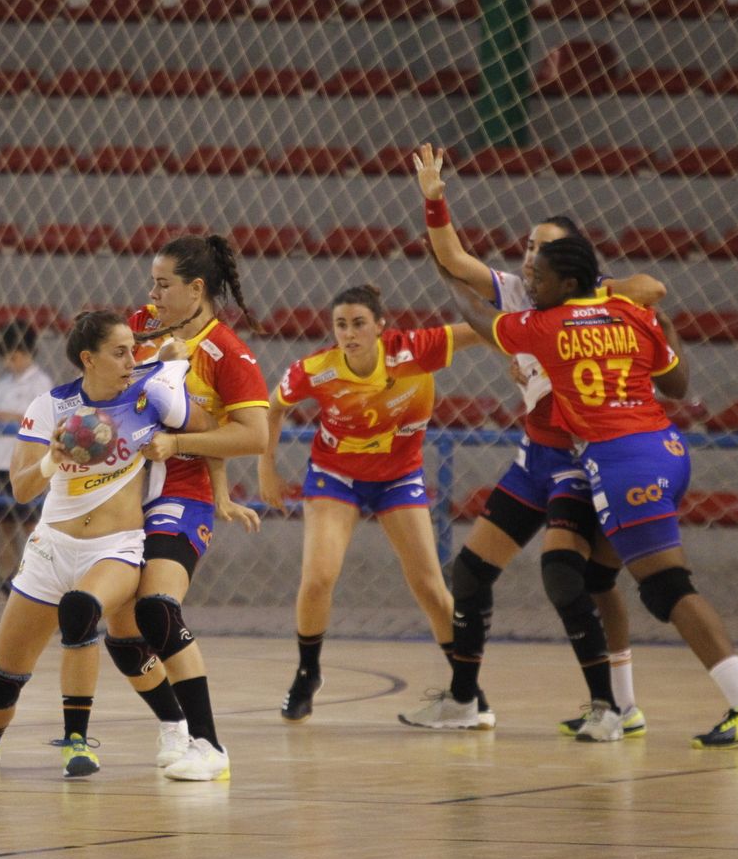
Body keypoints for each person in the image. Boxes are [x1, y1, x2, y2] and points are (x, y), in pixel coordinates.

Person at [448, 235, 738, 748]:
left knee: (667, 587)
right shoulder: (630, 312)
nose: (530, 285)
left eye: (539, 280)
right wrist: (665, 329)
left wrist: (453, 282)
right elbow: (677, 387)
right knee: (599, 579)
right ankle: (622, 707)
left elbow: (482, 320)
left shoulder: (546, 325)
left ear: (570, 283)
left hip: (624, 464)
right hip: (666, 450)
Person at [400, 143, 666, 737]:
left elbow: (652, 285)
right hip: (536, 456)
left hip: (585, 459)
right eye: (526, 248)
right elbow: (453, 257)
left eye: (542, 251)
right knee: (468, 574)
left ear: (569, 266)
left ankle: (609, 708)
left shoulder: (595, 300)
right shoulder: (523, 294)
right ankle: (465, 700)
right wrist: (435, 197)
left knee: (570, 580)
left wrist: (608, 288)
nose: (529, 259)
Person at [0, 311, 231, 781]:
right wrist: (53, 459)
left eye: (134, 349)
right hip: (51, 547)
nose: (132, 359)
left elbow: (214, 430)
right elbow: (21, 489)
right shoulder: (50, 406)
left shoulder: (150, 394)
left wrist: (175, 404)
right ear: (88, 359)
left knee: (82, 609)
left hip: (116, 547)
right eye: (119, 351)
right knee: (4, 673)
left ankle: (78, 740)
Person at [258, 285, 485, 723]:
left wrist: (524, 349)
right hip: (335, 477)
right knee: (319, 577)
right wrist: (266, 468)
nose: (349, 332)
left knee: (430, 586)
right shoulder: (317, 369)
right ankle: (308, 673)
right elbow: (273, 406)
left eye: (359, 322)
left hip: (398, 478)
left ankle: (466, 688)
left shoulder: (416, 351)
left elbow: (481, 328)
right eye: (340, 324)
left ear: (381, 326)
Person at [108, 233, 269, 767]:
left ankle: (209, 743)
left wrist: (182, 449)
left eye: (163, 284)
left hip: (182, 490)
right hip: (126, 485)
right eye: (151, 282)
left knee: (157, 607)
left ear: (196, 288)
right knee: (121, 630)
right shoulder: (142, 327)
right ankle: (173, 725)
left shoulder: (228, 352)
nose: (151, 293)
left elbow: (252, 435)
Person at [0, 320, 52, 601]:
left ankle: (34, 579)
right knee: (4, 525)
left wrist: (5, 416)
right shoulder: (4, 382)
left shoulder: (40, 382)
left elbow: (37, 417)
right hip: (0, 461)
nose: (9, 362)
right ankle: (7, 582)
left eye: (13, 355)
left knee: (30, 524)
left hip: (23, 462)